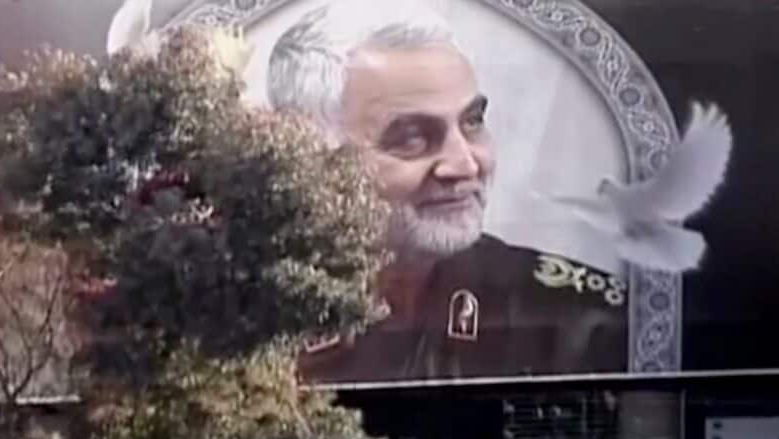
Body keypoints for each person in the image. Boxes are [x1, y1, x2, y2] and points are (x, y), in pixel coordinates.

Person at [265, 2, 629, 383]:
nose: (466, 165)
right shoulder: (234, 317)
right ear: (307, 153)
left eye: (472, 122)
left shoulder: (577, 319)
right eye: (411, 138)